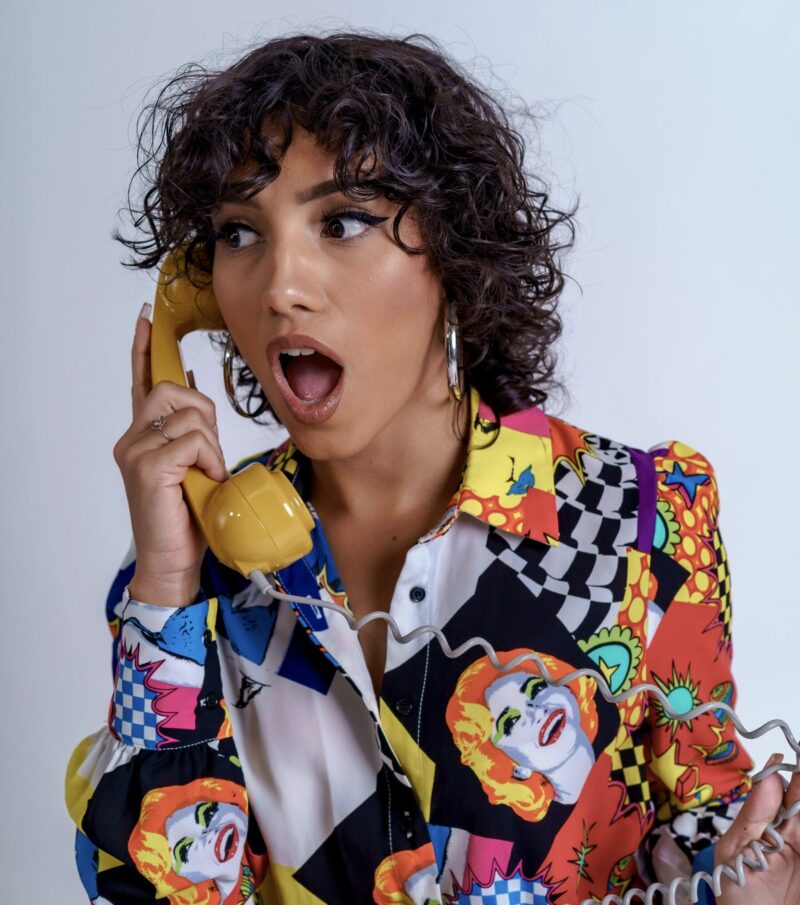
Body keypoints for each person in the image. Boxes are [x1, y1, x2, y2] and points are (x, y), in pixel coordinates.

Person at [65, 30, 799, 905]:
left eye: (341, 221)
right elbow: (160, 887)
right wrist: (168, 586)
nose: (278, 286)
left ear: (454, 255)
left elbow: (717, 826)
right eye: (238, 232)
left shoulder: (639, 518)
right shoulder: (194, 572)